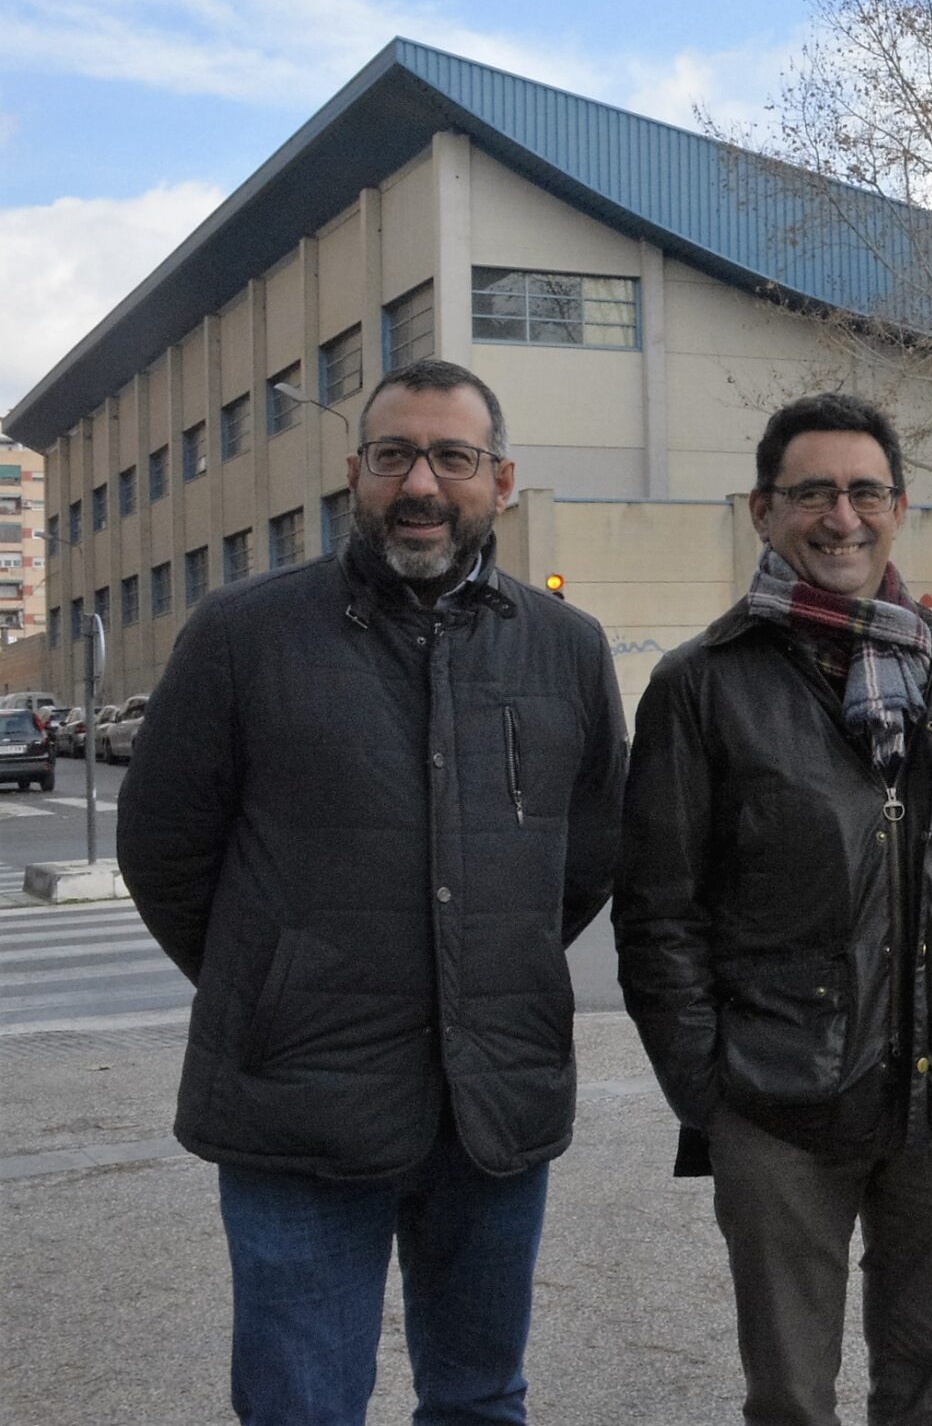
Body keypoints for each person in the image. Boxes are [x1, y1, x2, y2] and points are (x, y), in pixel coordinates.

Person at [118, 358, 626, 1426]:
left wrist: (485, 969)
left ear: (502, 480)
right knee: (300, 1407)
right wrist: (277, 981)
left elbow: (585, 857)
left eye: (453, 457)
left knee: (480, 1398)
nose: (421, 484)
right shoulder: (243, 633)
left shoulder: (568, 649)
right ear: (355, 472)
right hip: (297, 1107)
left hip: (491, 1105)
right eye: (394, 455)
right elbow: (164, 850)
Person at [616, 393, 932, 1426]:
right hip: (778, 1097)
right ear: (763, 510)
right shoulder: (700, 683)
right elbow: (659, 914)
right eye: (813, 493)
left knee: (930, 1388)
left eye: (864, 492)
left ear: (898, 508)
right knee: (792, 1400)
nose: (841, 517)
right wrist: (708, 1086)